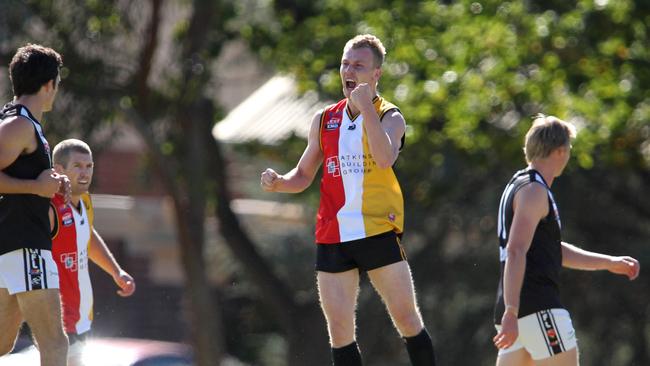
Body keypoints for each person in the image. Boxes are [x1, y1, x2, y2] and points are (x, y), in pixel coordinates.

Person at [261, 34, 436, 366]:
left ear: (376, 75)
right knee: (339, 330)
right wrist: (278, 182)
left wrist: (367, 107)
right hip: (333, 234)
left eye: (359, 65)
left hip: (377, 230)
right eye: (345, 63)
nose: (349, 70)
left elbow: (384, 158)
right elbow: (302, 175)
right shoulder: (324, 119)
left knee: (407, 320)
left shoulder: (390, 116)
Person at [492, 114, 641, 366]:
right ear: (560, 151)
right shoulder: (534, 191)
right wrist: (511, 310)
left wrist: (609, 262)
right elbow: (516, 250)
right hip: (536, 307)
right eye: (569, 148)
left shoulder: (521, 185)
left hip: (518, 309)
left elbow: (552, 250)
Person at [0, 44, 70, 366]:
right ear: (48, 85)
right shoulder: (20, 125)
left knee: (1, 343)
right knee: (55, 344)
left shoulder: (23, 123)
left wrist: (51, 184)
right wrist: (35, 187)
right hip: (25, 247)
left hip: (12, 248)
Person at [49, 139, 136, 352]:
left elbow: (87, 235)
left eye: (89, 166)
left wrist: (116, 272)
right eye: (77, 166)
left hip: (82, 320)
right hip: (57, 323)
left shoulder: (85, 200)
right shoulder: (50, 207)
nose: (85, 173)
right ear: (59, 170)